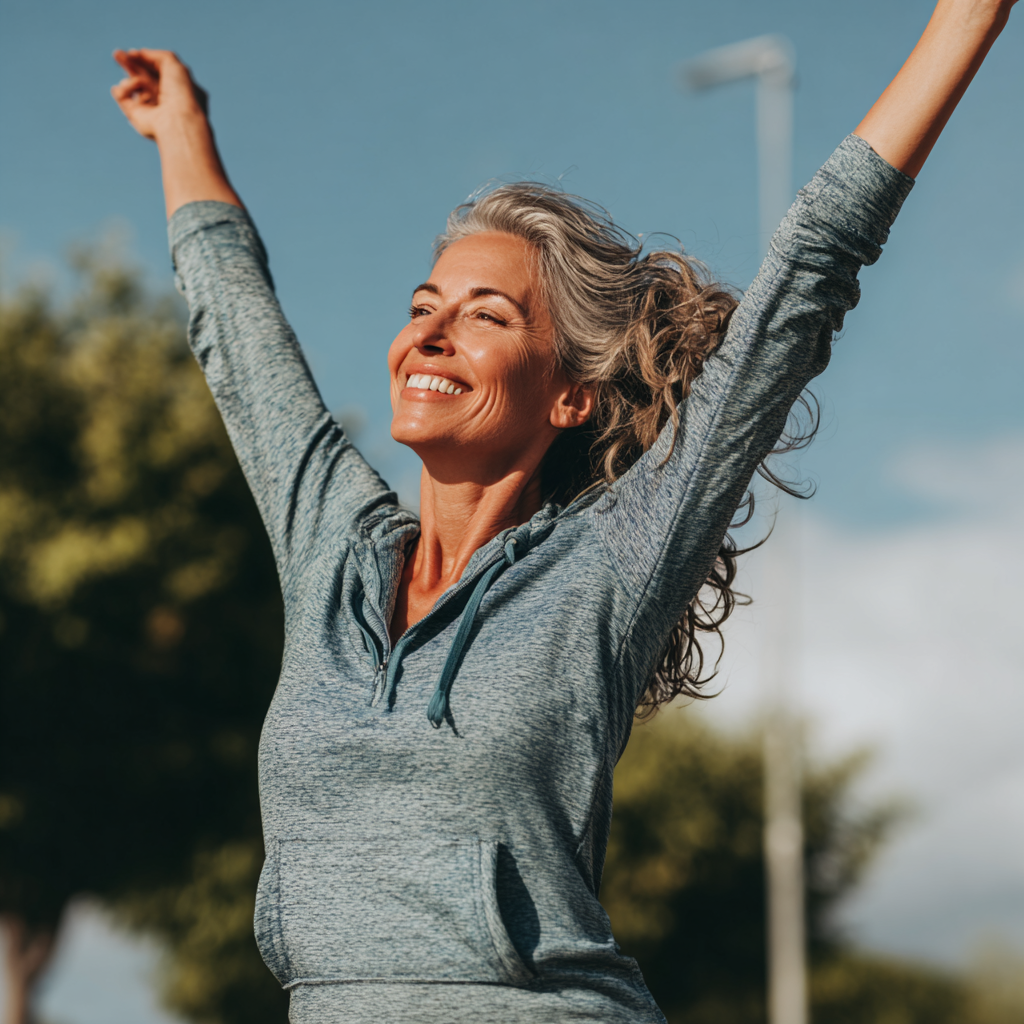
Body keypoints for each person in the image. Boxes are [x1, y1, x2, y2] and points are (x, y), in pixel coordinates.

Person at [111, 3, 1016, 1021]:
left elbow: (807, 278)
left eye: (486, 316)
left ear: (569, 396)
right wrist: (182, 131)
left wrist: (963, 22)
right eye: (423, 307)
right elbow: (237, 332)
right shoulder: (334, 553)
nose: (432, 336)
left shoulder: (607, 562)